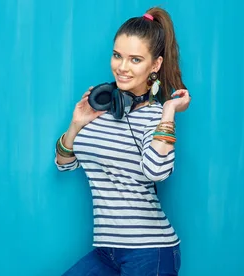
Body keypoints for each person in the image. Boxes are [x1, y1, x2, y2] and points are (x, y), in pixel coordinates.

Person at [54, 6, 191, 276]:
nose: (122, 67)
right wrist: (77, 123)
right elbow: (64, 164)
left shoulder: (156, 117)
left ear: (155, 65)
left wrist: (168, 111)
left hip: (150, 251)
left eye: (135, 59)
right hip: (107, 251)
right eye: (117, 56)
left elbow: (156, 172)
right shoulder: (100, 107)